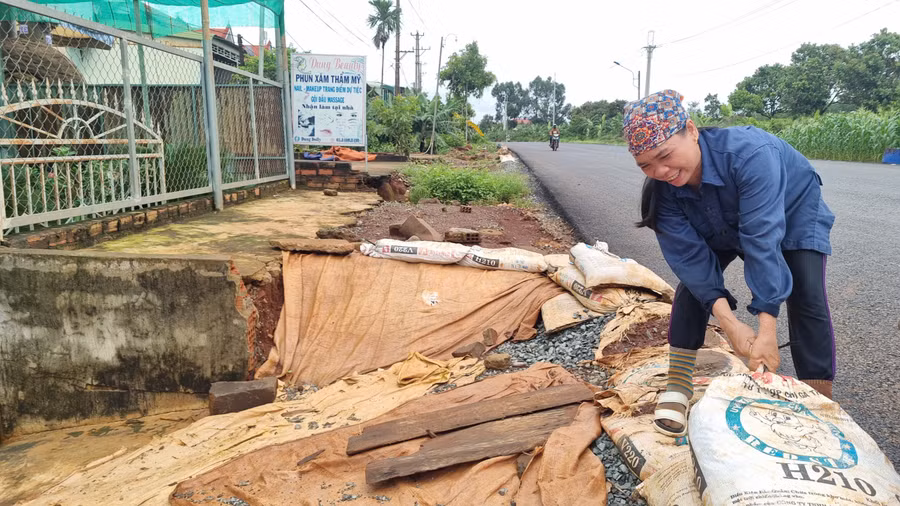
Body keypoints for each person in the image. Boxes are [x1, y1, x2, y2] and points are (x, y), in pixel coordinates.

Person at [623, 90, 837, 438]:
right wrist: (732, 325)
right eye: (646, 165)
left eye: (664, 155)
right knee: (693, 288)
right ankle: (677, 387)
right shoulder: (664, 192)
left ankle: (819, 403)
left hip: (791, 207)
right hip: (714, 213)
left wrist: (766, 330)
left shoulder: (751, 154)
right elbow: (691, 261)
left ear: (690, 130)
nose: (660, 171)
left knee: (806, 292)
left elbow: (761, 240)